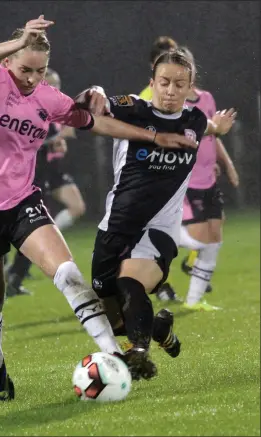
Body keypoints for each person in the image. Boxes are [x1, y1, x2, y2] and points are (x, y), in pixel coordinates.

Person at [0, 17, 196, 401]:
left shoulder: (48, 98)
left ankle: (115, 357)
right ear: (10, 61)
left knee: (68, 275)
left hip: (21, 203)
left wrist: (154, 136)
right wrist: (16, 44)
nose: (31, 78)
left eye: (40, 71)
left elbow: (98, 122)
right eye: (25, 69)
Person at [90, 49, 236, 380]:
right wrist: (97, 91)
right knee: (111, 312)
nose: (171, 91)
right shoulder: (133, 109)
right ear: (152, 83)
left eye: (179, 84)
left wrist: (221, 129)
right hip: (114, 226)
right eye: (165, 82)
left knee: (130, 281)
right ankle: (159, 328)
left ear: (190, 87)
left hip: (158, 229)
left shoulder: (195, 121)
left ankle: (139, 352)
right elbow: (97, 109)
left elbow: (211, 127)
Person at [5, 68, 87, 297]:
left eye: (57, 84)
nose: (55, 88)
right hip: (38, 173)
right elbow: (28, 142)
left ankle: (19, 267)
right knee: (35, 225)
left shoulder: (56, 107)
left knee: (76, 208)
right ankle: (13, 274)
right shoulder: (33, 108)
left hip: (54, 171)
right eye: (50, 84)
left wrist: (60, 140)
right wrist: (55, 141)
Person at [176, 47, 240, 311]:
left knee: (215, 237)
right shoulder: (176, 105)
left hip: (208, 179)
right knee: (202, 239)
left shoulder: (207, 98)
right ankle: (156, 233)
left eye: (187, 66)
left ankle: (193, 301)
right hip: (186, 180)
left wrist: (227, 164)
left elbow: (213, 135)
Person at [139, 36, 180, 301]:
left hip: (171, 180)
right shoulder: (144, 98)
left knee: (167, 236)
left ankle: (160, 284)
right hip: (147, 180)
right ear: (154, 65)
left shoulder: (178, 97)